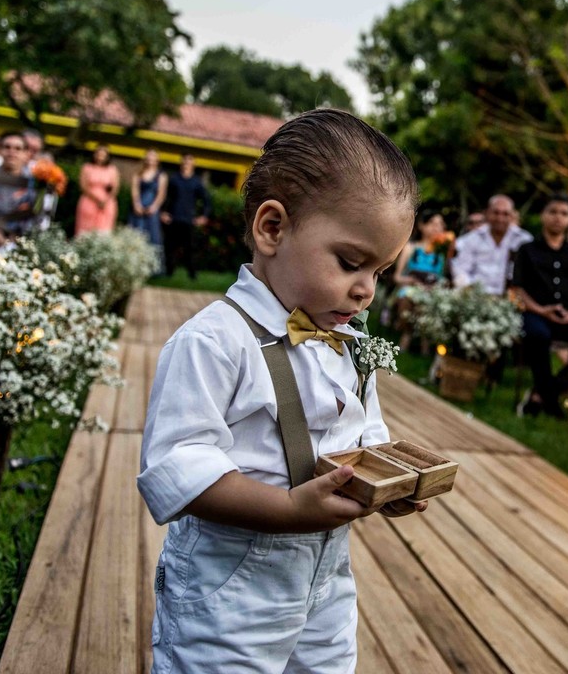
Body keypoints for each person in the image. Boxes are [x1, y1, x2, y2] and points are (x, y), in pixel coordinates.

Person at [138, 109, 425, 672]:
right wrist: (289, 508)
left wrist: (386, 482)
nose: (366, 290)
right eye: (350, 262)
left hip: (325, 579)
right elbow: (178, 466)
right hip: (228, 590)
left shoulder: (348, 339)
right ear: (272, 228)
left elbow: (364, 431)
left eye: (381, 272)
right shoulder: (214, 342)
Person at [511, 195, 568, 415]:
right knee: (538, 335)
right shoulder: (527, 249)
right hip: (536, 313)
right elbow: (518, 289)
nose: (558, 218)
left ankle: (544, 392)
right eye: (553, 212)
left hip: (567, 316)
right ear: (543, 215)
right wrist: (541, 309)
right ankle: (552, 405)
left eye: (564, 213)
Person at [389, 210, 449, 350]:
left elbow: (441, 279)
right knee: (409, 297)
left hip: (431, 291)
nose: (436, 227)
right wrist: (410, 281)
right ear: (422, 226)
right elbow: (397, 277)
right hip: (410, 288)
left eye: (440, 224)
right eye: (432, 223)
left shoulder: (442, 252)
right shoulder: (411, 248)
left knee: (430, 301)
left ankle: (422, 341)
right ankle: (409, 336)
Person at [450, 194, 532, 294]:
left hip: (512, 298)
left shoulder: (524, 239)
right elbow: (460, 270)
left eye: (505, 214)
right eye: (496, 213)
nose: (500, 218)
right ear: (487, 213)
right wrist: (469, 290)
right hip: (476, 298)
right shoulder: (471, 239)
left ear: (512, 216)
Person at [160, 153, 212, 279]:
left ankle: (192, 275)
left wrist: (204, 216)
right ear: (181, 163)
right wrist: (163, 212)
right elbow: (167, 198)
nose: (186, 164)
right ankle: (169, 273)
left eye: (189, 162)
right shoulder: (174, 179)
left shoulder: (196, 182)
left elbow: (206, 200)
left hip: (189, 220)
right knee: (170, 248)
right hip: (174, 218)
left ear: (193, 164)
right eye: (184, 162)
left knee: (191, 249)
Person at [129, 147, 168, 260]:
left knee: (152, 236)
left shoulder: (161, 175)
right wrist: (136, 205)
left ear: (157, 160)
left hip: (152, 209)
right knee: (136, 234)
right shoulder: (138, 174)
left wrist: (154, 207)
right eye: (149, 156)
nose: (151, 158)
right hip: (138, 208)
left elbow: (161, 194)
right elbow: (135, 190)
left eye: (153, 156)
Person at [75, 144, 120, 236]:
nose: (100, 157)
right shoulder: (87, 167)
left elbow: (115, 187)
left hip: (106, 204)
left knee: (103, 231)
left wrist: (105, 201)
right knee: (85, 232)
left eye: (103, 155)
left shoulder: (112, 169)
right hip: (89, 201)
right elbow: (83, 186)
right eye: (98, 154)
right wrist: (96, 199)